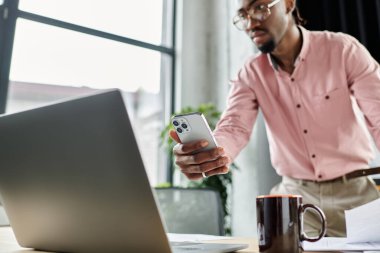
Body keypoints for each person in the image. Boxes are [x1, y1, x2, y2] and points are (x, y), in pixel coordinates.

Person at [169, 0, 380, 237]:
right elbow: (234, 126)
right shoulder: (250, 72)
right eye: (243, 15)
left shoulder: (343, 50)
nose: (250, 23)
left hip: (357, 194)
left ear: (289, 4)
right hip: (296, 197)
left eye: (259, 8)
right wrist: (211, 155)